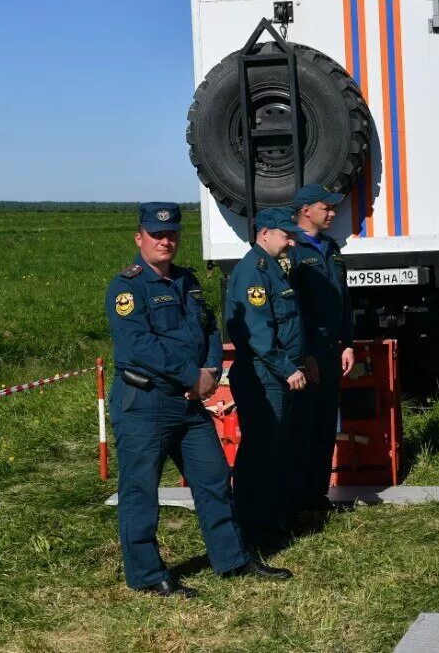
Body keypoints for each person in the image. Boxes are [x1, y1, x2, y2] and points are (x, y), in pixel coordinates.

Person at [105, 202, 289, 598]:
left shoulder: (186, 282)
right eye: (156, 235)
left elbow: (208, 330)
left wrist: (208, 371)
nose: (164, 241)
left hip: (188, 404)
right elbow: (138, 346)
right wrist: (192, 376)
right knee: (140, 491)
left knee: (214, 480)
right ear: (140, 238)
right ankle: (147, 574)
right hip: (145, 403)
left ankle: (233, 558)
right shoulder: (127, 287)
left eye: (170, 235)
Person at [225, 206, 311, 547]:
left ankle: (270, 516)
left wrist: (301, 360)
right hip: (263, 375)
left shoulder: (273, 269)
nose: (290, 241)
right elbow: (258, 332)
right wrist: (288, 368)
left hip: (277, 372)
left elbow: (288, 322)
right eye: (285, 235)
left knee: (274, 449)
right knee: (260, 451)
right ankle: (250, 524)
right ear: (264, 234)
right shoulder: (253, 272)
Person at [288, 184, 356, 516]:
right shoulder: (292, 249)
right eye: (325, 208)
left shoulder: (330, 247)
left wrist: (347, 344)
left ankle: (317, 497)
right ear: (305, 211)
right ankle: (298, 500)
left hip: (331, 350)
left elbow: (344, 300)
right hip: (308, 353)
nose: (332, 213)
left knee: (326, 425)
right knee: (305, 427)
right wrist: (304, 355)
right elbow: (293, 310)